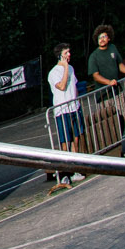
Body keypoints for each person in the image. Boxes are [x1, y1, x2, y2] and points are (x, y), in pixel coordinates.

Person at [47, 43, 86, 185]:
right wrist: (64, 68)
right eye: (66, 53)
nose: (69, 55)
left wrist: (76, 101)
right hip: (62, 111)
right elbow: (62, 86)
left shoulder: (71, 68)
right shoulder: (53, 73)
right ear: (60, 55)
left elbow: (73, 86)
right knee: (65, 142)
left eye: (69, 52)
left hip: (74, 108)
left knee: (76, 139)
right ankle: (65, 173)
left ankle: (76, 170)